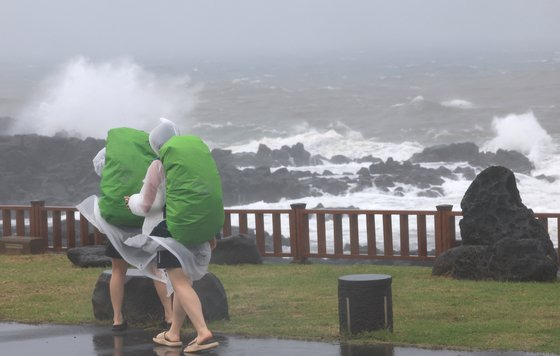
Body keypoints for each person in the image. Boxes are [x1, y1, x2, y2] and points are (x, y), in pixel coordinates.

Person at [126, 118, 224, 353]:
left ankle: (202, 332)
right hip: (195, 227)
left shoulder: (158, 166)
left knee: (179, 283)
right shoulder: (192, 165)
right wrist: (211, 231)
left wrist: (132, 202)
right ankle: (173, 333)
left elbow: (149, 204)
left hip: (169, 230)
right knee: (184, 284)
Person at [78, 127, 173, 331]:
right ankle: (170, 315)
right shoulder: (154, 150)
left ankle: (117, 319)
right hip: (143, 218)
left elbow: (99, 168)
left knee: (117, 271)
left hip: (115, 218)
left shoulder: (110, 149)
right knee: (157, 268)